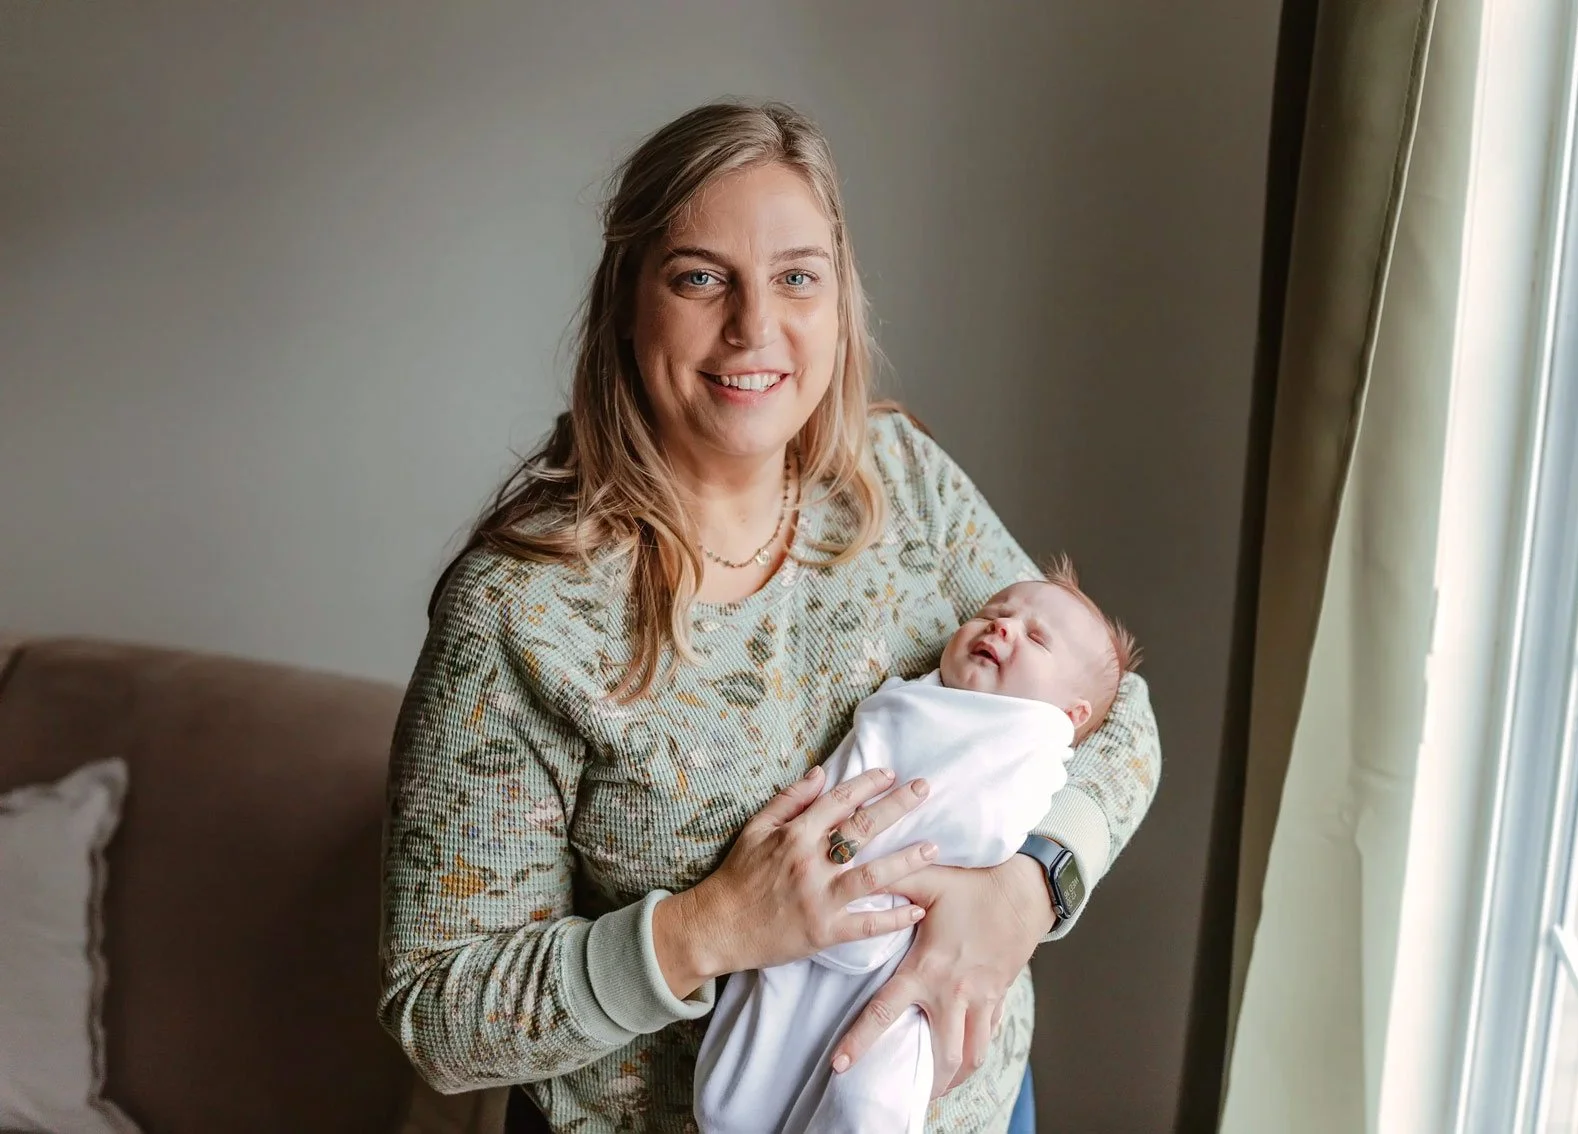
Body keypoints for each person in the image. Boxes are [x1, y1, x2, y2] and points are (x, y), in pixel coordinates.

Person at [377, 99, 1162, 1134]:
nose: (753, 329)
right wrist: (705, 931)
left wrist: (1028, 890)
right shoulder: (522, 613)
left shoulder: (897, 479)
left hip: (977, 1109)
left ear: (838, 301)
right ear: (628, 304)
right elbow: (440, 1015)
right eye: (701, 277)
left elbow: (1113, 708)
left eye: (795, 277)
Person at [694, 566, 1138, 1134]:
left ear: (1071, 716)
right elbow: (869, 757)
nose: (1003, 626)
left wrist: (1028, 888)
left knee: (869, 1097)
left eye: (1036, 637)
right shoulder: (913, 700)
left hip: (925, 962)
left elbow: (994, 823)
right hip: (807, 916)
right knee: (739, 1089)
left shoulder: (1030, 743)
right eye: (995, 613)